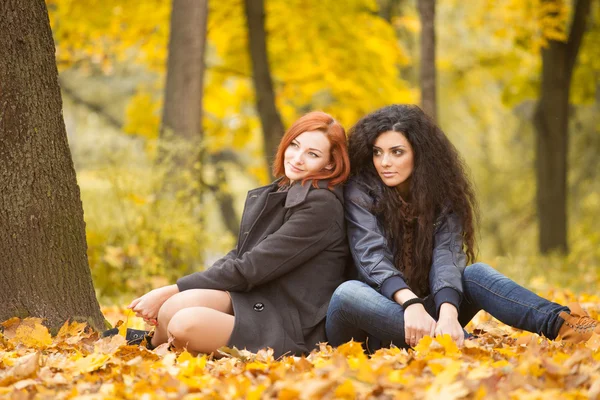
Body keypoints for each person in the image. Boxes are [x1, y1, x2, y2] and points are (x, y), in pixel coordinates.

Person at [326, 104, 600, 351]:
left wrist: (447, 312)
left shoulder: (442, 195)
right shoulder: (359, 192)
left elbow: (447, 256)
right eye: (378, 152)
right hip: (367, 324)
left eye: (397, 152)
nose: (384, 162)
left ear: (419, 155)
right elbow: (370, 257)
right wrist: (410, 304)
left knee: (475, 273)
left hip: (423, 321)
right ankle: (466, 345)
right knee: (348, 292)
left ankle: (566, 326)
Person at [127, 111, 351, 357]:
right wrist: (176, 293)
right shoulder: (285, 189)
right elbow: (240, 254)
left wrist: (170, 289)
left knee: (184, 323)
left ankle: (152, 349)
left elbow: (253, 266)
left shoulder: (322, 205)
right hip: (259, 301)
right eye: (295, 145)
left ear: (330, 163)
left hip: (290, 324)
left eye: (313, 154)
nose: (297, 158)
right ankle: (146, 347)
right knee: (172, 308)